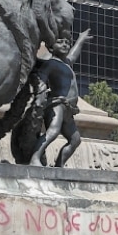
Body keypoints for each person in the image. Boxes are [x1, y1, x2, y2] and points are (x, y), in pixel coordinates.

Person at [28, 29, 91, 167]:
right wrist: (40, 92)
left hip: (69, 108)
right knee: (53, 131)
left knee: (75, 140)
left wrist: (81, 39)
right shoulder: (51, 63)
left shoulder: (67, 63)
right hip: (57, 104)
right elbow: (41, 78)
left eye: (67, 42)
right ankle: (35, 158)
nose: (65, 45)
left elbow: (74, 54)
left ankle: (59, 165)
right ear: (51, 47)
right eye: (60, 42)